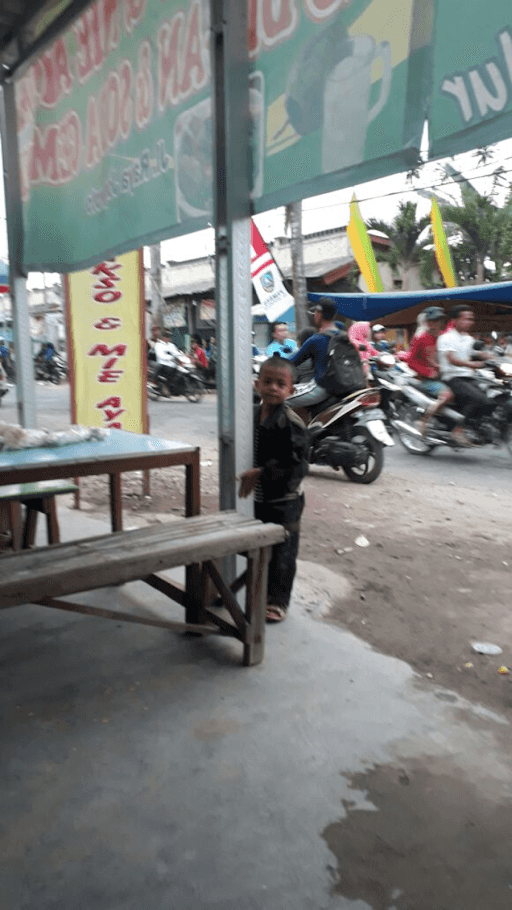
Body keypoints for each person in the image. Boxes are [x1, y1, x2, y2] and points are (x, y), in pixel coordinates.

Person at [238, 355, 308, 623]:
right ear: (257, 384)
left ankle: (278, 602)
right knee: (259, 544)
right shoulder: (253, 416)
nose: (273, 388)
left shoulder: (292, 423)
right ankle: (258, 590)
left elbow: (298, 466)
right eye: (268, 382)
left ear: (291, 390)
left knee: (283, 552)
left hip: (285, 500)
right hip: (261, 497)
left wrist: (264, 473)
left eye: (281, 384)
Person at [437, 305, 494, 446]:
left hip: (469, 377)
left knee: (492, 400)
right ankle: (458, 430)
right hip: (452, 377)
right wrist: (472, 365)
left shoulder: (468, 338)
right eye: (466, 319)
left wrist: (491, 356)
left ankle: (476, 427)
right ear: (455, 320)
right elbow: (452, 359)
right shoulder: (446, 337)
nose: (470, 322)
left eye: (471, 319)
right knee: (479, 399)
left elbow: (475, 353)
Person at [406, 306, 454, 435]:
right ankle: (424, 420)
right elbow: (411, 362)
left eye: (439, 320)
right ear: (428, 323)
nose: (437, 323)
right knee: (447, 395)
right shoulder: (420, 339)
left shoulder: (445, 337)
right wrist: (428, 372)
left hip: (447, 376)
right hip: (426, 379)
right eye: (434, 320)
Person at [287, 298, 339, 410]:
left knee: (280, 399)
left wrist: (271, 362)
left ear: (319, 314)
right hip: (342, 387)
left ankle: (299, 427)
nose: (314, 315)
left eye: (315, 312)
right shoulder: (344, 336)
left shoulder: (316, 339)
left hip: (322, 388)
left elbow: (292, 362)